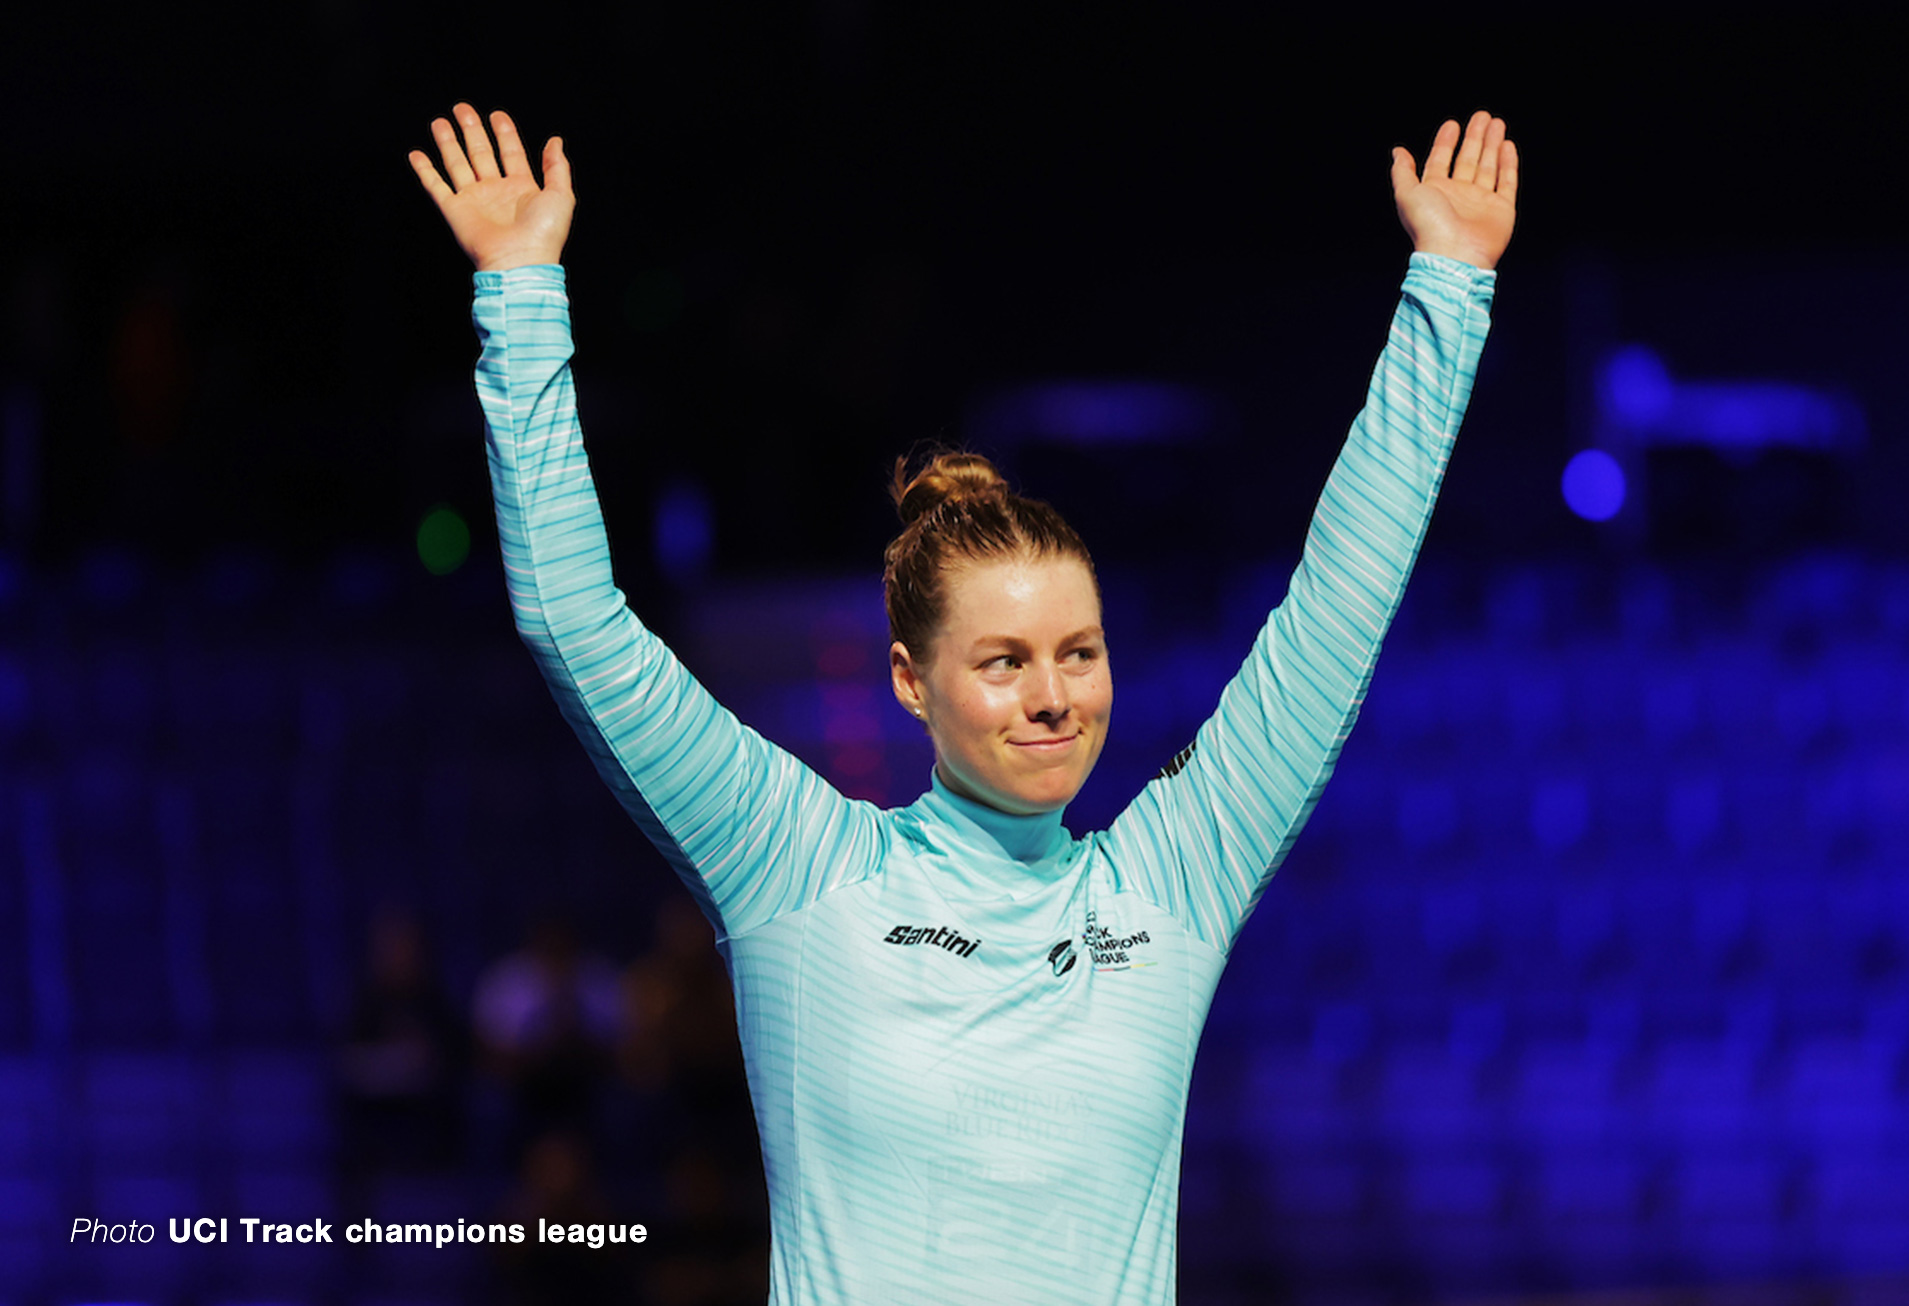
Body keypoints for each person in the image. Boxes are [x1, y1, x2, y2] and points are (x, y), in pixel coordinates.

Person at [411, 101, 1516, 1304]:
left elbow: (1334, 616)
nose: (1051, 697)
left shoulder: (1172, 879)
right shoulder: (797, 866)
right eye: (1003, 661)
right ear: (909, 681)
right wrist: (519, 300)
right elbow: (576, 625)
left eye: (1078, 653)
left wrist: (1446, 294)